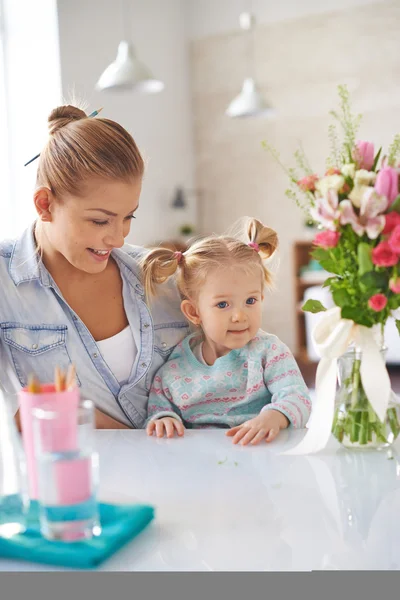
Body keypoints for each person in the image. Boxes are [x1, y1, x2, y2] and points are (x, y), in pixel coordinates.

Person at [0, 105, 189, 429]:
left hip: (182, 474)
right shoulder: (6, 282)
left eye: (129, 217)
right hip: (65, 476)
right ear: (45, 204)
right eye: (99, 220)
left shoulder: (159, 276)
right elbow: (20, 415)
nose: (118, 238)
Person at [142, 218, 312, 445]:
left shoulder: (269, 352)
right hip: (203, 464)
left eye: (250, 300)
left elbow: (298, 398)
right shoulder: (174, 369)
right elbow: (157, 408)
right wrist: (164, 418)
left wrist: (273, 417)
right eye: (223, 304)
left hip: (260, 455)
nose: (240, 315)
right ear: (194, 312)